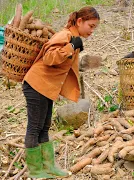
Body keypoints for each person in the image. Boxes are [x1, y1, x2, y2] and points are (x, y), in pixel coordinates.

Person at [22, 6, 99, 178]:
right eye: (91, 26)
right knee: (34, 127)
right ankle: (36, 171)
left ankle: (49, 167)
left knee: (44, 127)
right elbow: (49, 57)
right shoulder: (65, 36)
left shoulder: (73, 37)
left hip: (47, 87)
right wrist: (71, 47)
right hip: (36, 84)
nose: (92, 31)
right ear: (80, 21)